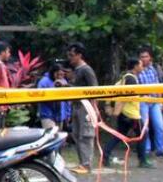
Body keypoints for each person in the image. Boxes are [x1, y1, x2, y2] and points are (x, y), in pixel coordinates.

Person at [103, 58, 151, 169]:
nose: (142, 67)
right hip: (131, 114)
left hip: (125, 113)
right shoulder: (131, 78)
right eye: (141, 65)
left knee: (119, 136)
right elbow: (129, 94)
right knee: (142, 135)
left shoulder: (125, 77)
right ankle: (143, 160)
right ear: (135, 66)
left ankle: (105, 156)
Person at [67, 42, 98, 175]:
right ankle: (82, 163)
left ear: (79, 55)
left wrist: (94, 109)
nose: (70, 58)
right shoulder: (76, 70)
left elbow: (95, 90)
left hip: (86, 107)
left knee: (86, 135)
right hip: (76, 106)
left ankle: (86, 164)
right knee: (77, 135)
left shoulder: (86, 70)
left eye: (72, 55)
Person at [137, 46, 163, 157]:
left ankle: (160, 149)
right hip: (143, 101)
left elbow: (158, 86)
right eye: (142, 57)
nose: (144, 59)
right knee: (145, 127)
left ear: (150, 58)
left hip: (154, 101)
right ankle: (146, 149)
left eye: (146, 56)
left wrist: (160, 101)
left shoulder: (153, 69)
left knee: (159, 125)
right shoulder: (137, 71)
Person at [36, 62, 71, 130]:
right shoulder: (44, 82)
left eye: (62, 75)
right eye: (58, 74)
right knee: (51, 134)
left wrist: (68, 114)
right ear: (53, 73)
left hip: (60, 116)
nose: (60, 77)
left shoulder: (63, 81)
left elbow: (67, 100)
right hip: (47, 114)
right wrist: (54, 88)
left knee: (59, 134)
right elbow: (40, 98)